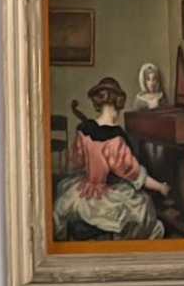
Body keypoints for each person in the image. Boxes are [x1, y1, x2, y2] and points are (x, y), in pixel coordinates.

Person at [51, 77, 169, 244]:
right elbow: (134, 175)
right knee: (143, 207)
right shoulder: (115, 138)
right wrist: (161, 187)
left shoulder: (83, 131)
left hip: (82, 193)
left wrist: (94, 166)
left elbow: (76, 163)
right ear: (118, 104)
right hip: (107, 200)